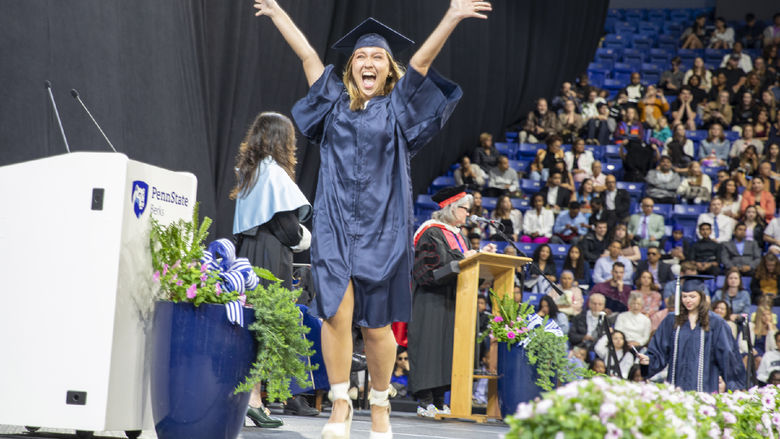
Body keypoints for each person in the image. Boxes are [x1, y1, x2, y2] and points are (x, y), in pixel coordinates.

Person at [258, 0, 492, 434]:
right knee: (335, 314)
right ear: (351, 69)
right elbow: (309, 57)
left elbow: (421, 62)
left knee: (377, 326)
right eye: (361, 57)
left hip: (383, 228)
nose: (368, 62)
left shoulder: (399, 108)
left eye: (378, 57)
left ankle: (380, 403)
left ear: (388, 69)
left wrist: (453, 16)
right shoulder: (330, 104)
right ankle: (340, 404)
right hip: (333, 222)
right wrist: (276, 13)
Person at [230, 111, 313, 428]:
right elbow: (288, 229)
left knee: (253, 327)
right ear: (283, 140)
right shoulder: (274, 175)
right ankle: (254, 400)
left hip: (248, 256)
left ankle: (252, 399)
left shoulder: (250, 173)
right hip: (270, 257)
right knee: (266, 329)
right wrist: (304, 239)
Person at [409, 186, 496, 419]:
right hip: (431, 301)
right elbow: (425, 273)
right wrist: (460, 263)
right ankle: (425, 401)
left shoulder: (461, 237)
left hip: (454, 300)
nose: (468, 214)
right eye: (465, 209)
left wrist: (480, 257)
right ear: (451, 208)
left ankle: (439, 401)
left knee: (447, 350)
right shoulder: (430, 233)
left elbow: (464, 267)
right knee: (431, 349)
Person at [638, 286, 746, 392]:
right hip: (677, 387)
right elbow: (659, 349)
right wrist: (649, 361)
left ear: (701, 297)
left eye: (692, 296)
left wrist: (735, 385)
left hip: (706, 387)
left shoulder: (716, 322)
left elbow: (727, 354)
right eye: (684, 296)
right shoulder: (671, 320)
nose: (687, 300)